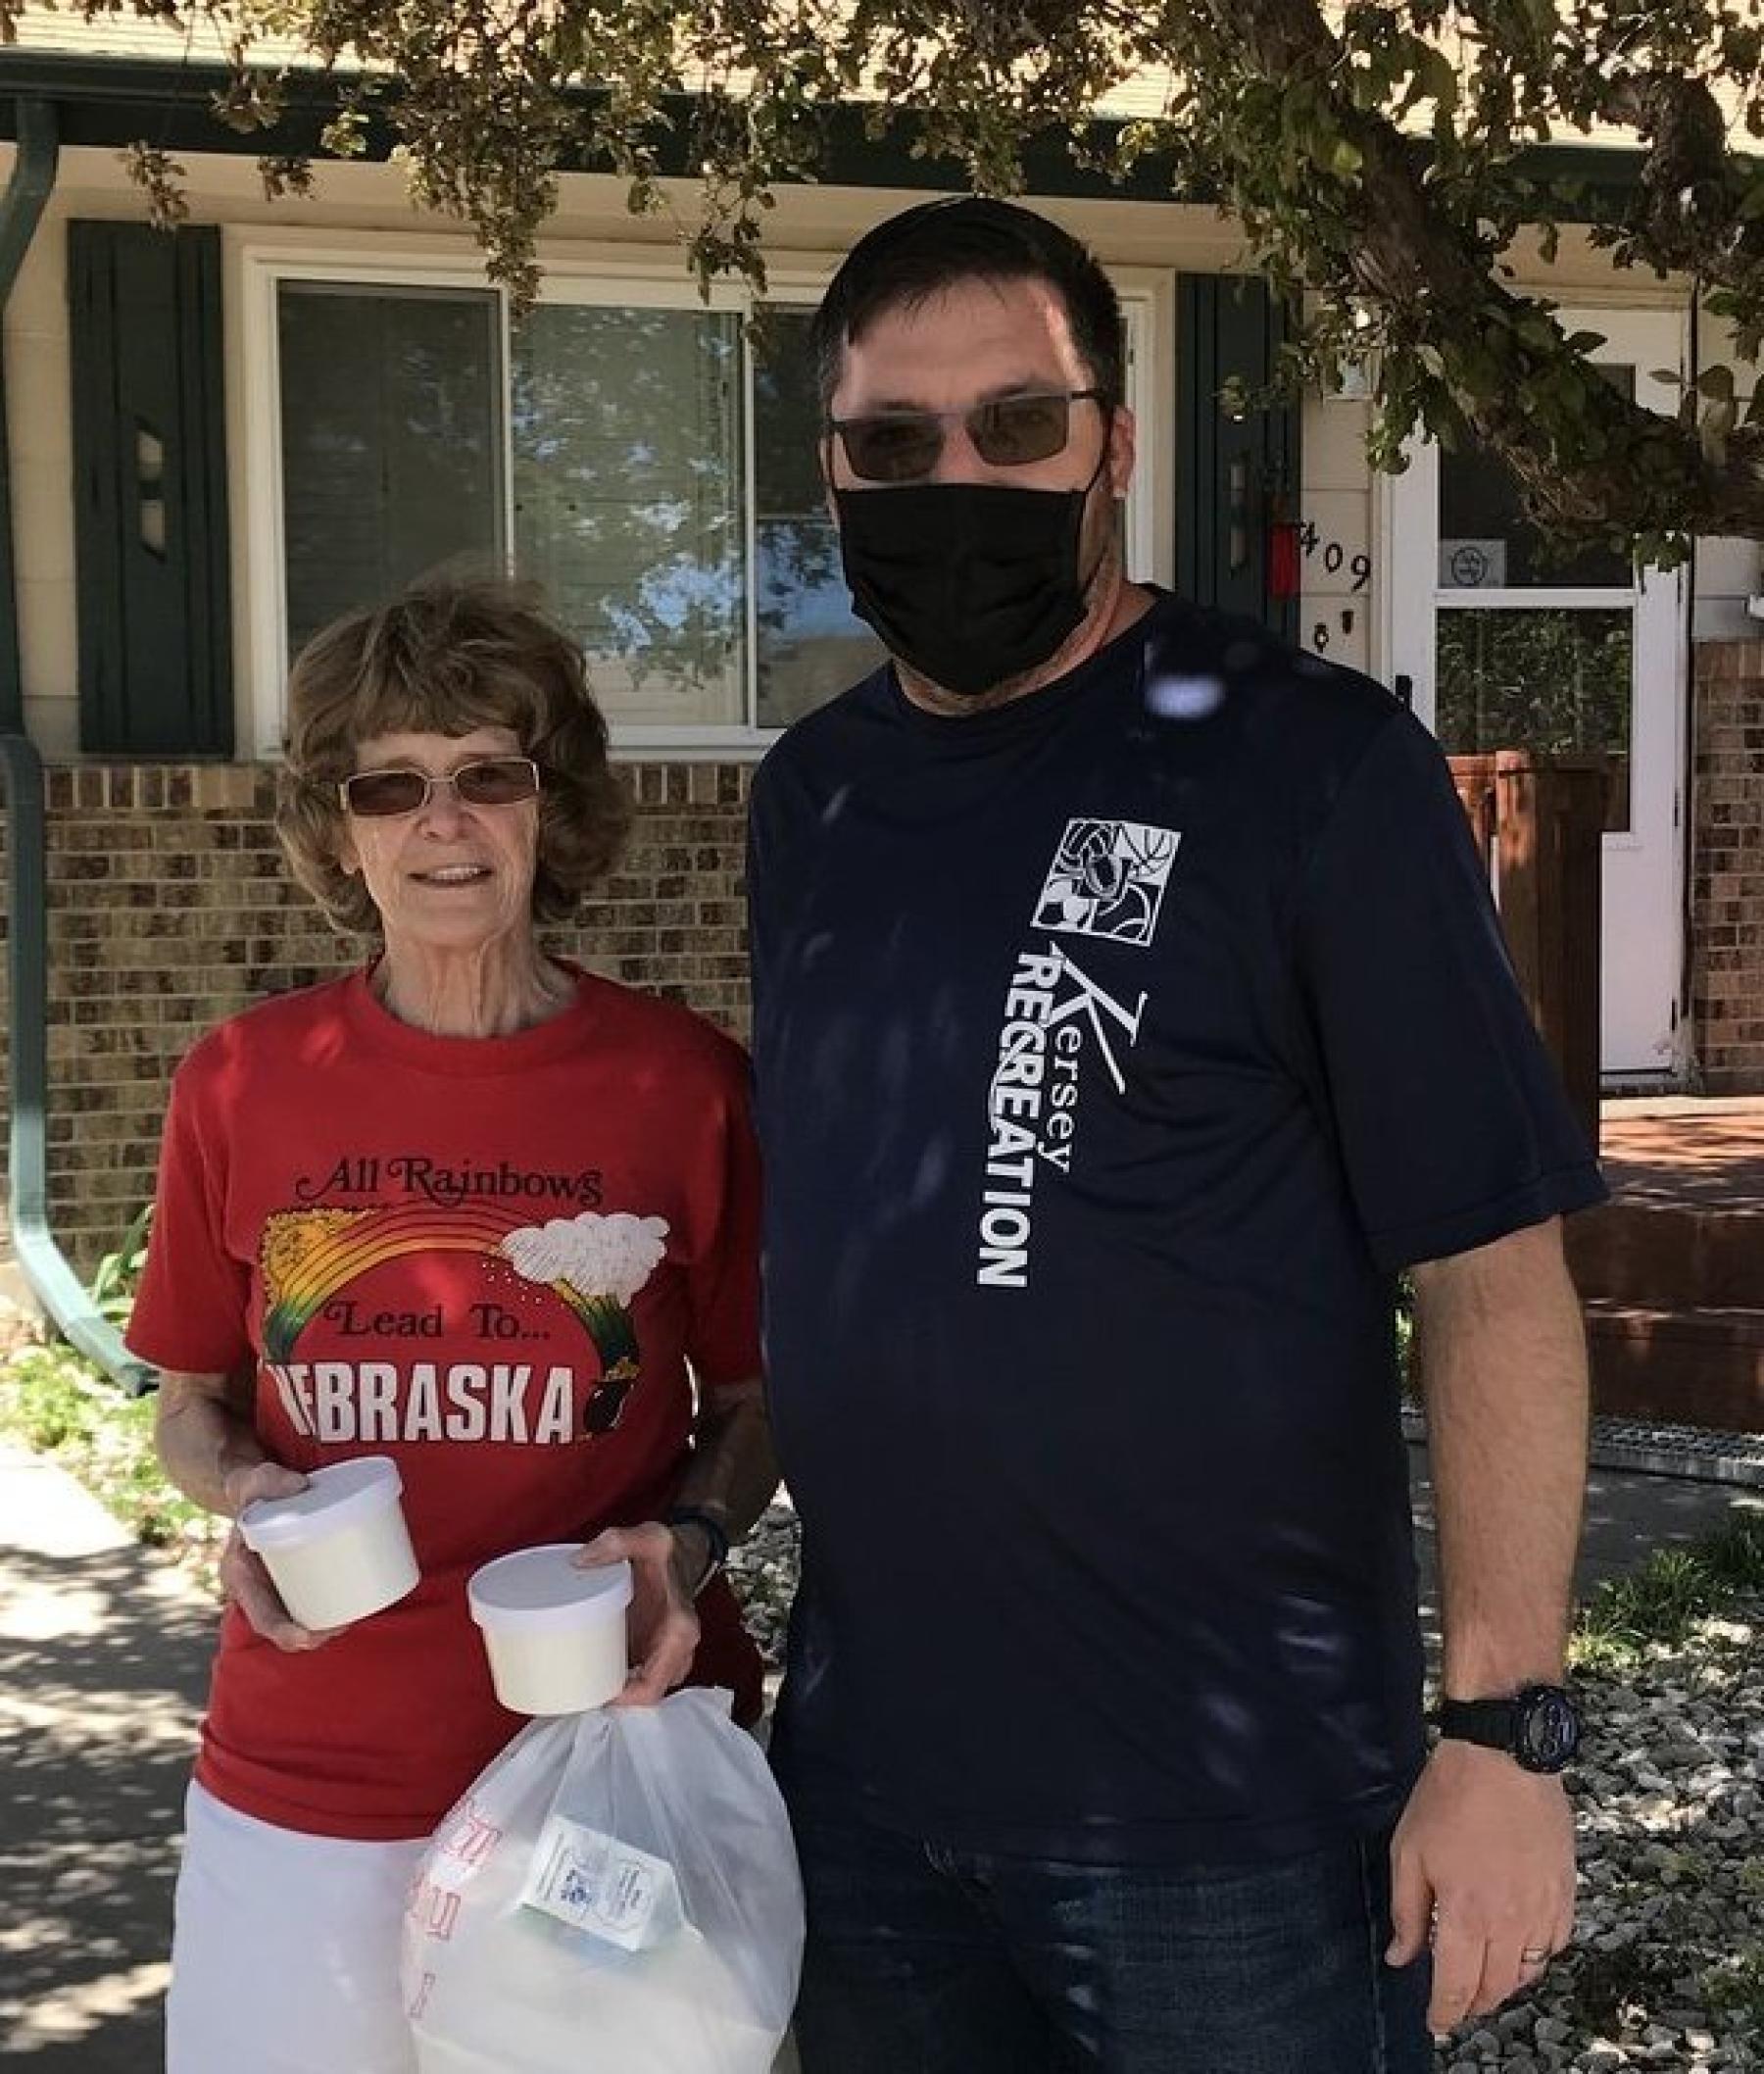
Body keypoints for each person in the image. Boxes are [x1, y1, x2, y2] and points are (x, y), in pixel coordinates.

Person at [747, 196, 1601, 2074]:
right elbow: (832, 1250)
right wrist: (681, 1530)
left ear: (1113, 445)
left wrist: (1504, 1735)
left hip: (1233, 1833)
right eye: (894, 444)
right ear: (831, 468)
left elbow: (1490, 1272)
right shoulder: (811, 800)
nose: (953, 481)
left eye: (1017, 427)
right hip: (874, 1795)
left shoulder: (1307, 766)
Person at [124, 575, 780, 2074]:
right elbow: (184, 1401)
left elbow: (757, 1398)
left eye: (489, 774)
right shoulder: (240, 1085)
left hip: (609, 1775)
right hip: (306, 1784)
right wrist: (242, 1491)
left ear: (550, 811)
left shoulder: (683, 1085)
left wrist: (684, 1548)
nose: (445, 823)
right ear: (338, 829)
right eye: (391, 785)